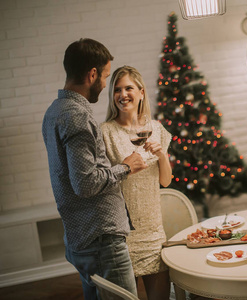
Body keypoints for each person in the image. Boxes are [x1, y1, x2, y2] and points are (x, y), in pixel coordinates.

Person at [42, 39, 147, 299]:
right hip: (101, 240)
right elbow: (86, 183)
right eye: (105, 76)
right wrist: (125, 167)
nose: (104, 83)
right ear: (92, 74)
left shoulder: (54, 111)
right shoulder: (77, 114)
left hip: (83, 237)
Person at [101, 66, 172, 300]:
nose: (123, 95)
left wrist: (161, 155)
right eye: (117, 90)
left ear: (141, 92)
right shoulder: (105, 132)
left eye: (128, 88)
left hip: (153, 230)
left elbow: (165, 181)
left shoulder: (157, 129)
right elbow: (102, 179)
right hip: (122, 233)